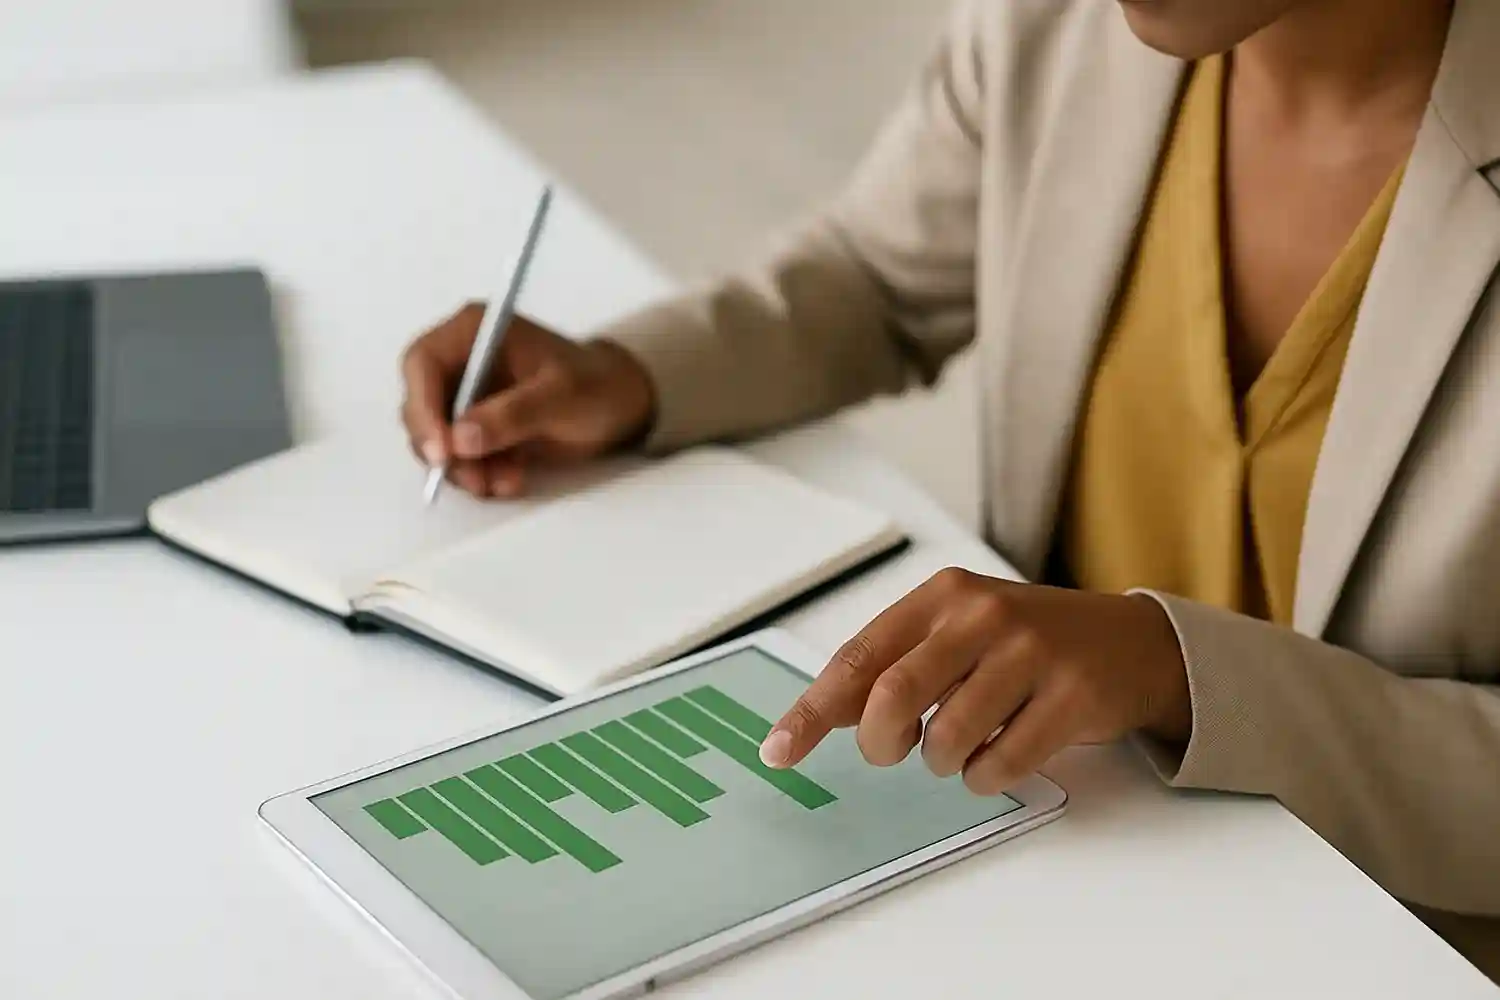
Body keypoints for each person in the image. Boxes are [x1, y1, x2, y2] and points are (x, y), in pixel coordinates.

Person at [401, 0, 1500, 979]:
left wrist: (1175, 670)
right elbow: (877, 278)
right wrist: (631, 375)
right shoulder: (1052, 28)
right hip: (1058, 853)